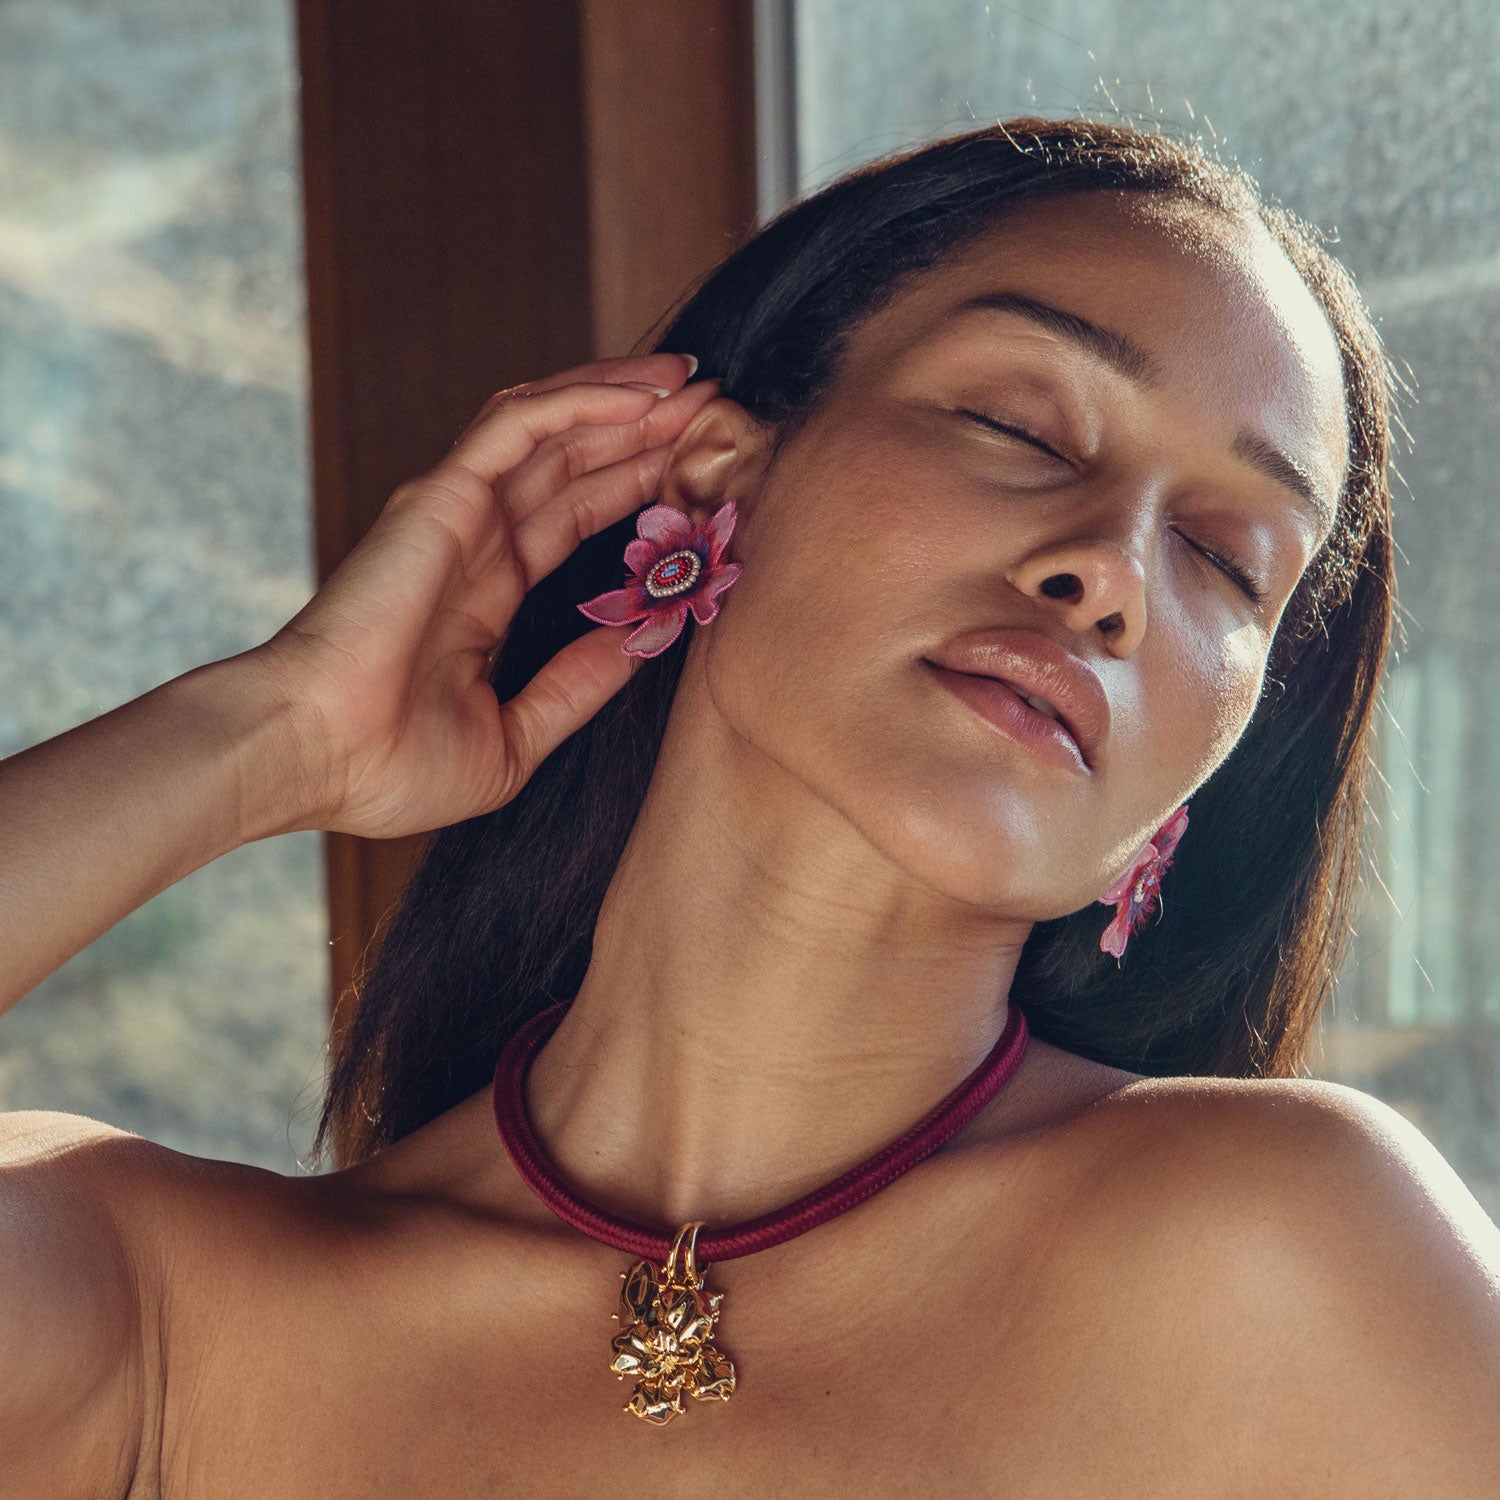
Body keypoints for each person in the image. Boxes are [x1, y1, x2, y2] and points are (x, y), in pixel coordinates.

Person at [2, 114, 1497, 1493]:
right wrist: (260, 734)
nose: (1111, 574)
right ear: (715, 468)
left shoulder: (1298, 1257)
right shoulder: (170, 1320)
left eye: (1231, 561)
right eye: (1024, 429)